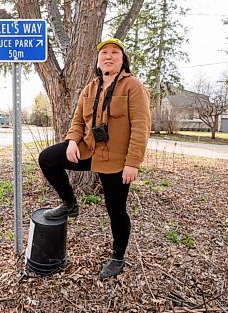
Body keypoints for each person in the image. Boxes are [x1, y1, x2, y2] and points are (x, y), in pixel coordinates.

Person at [38, 37, 151, 278]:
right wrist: (71, 141)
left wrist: (132, 163)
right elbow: (78, 120)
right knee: (47, 158)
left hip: (116, 160)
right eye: (104, 53)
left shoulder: (133, 86)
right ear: (98, 61)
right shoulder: (89, 88)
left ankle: (118, 257)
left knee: (116, 210)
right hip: (89, 151)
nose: (108, 56)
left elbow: (141, 127)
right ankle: (69, 205)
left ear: (123, 60)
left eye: (114, 53)